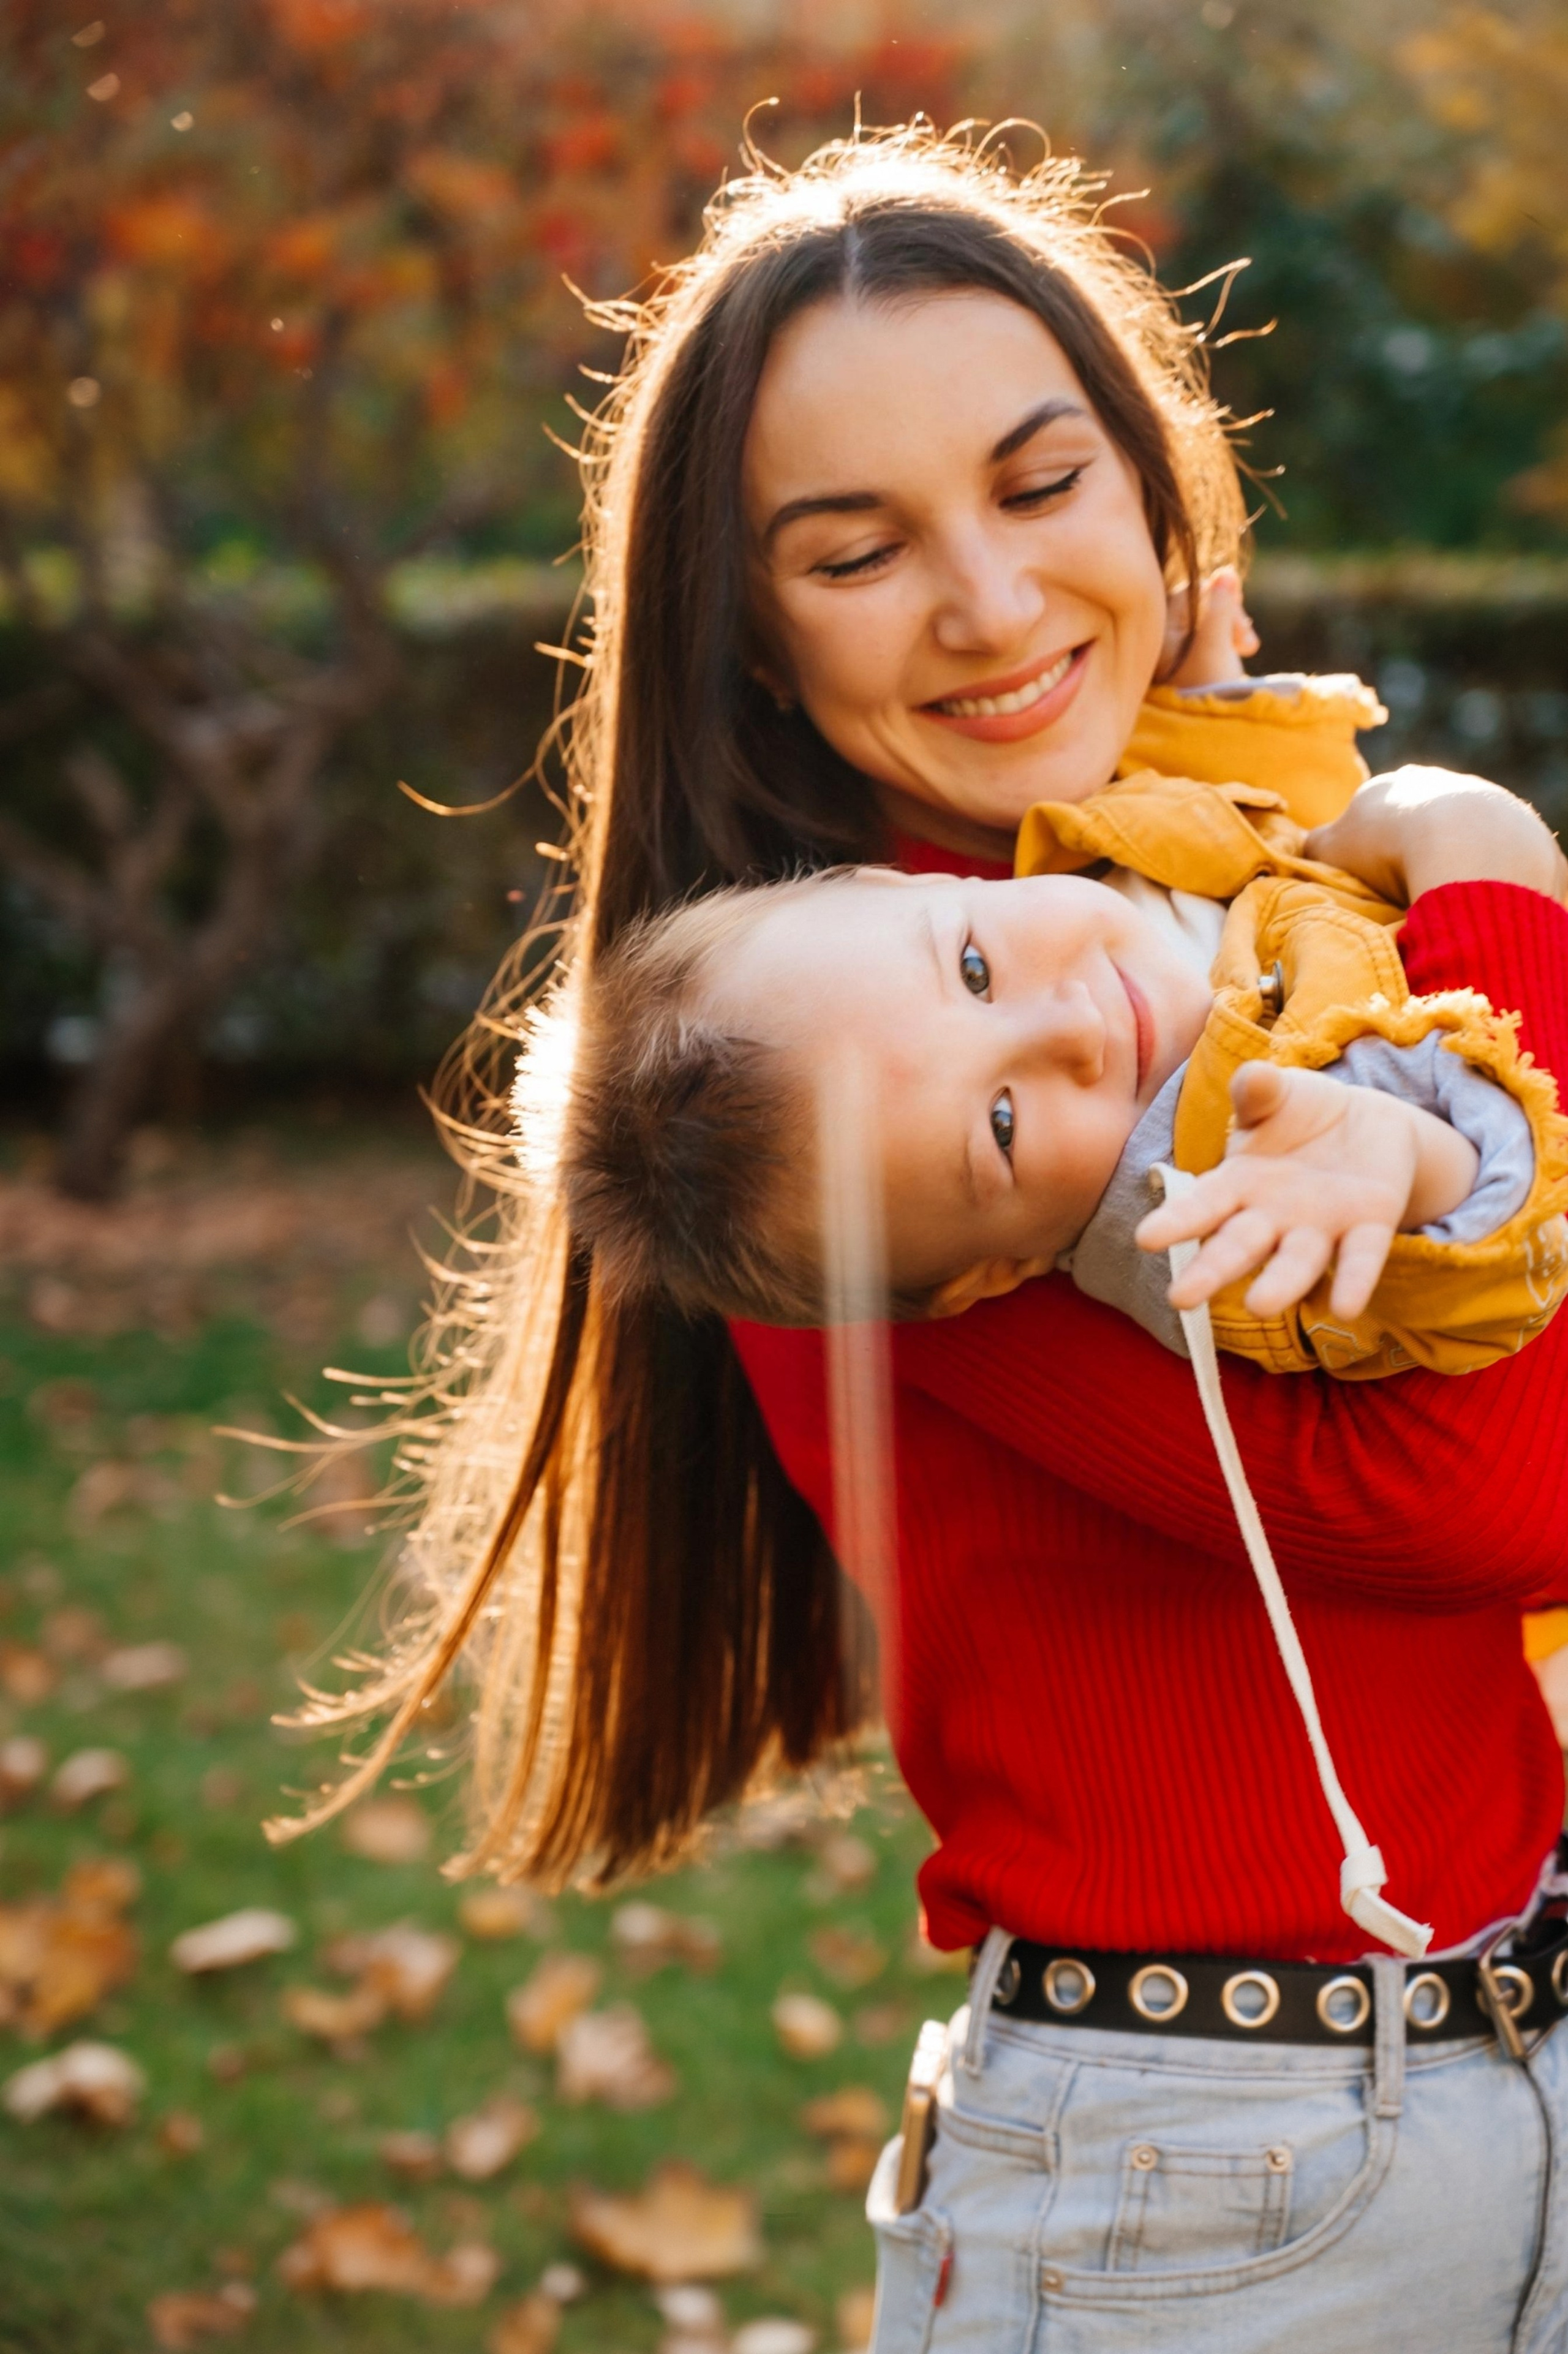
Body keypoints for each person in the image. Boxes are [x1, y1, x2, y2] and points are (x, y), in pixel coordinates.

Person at [283, 127, 1568, 2349]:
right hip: (1209, 2168)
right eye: (857, 550)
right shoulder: (854, 1090)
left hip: (1485, 2067)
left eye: (1042, 482)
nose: (988, 604)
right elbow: (1484, 1491)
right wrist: (1494, 875)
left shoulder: (1190, 900)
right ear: (753, 640)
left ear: (1160, 485)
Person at [551, 771, 1568, 1376]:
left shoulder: (1096, 857)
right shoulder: (1220, 1206)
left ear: (897, 881)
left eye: (976, 970)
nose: (1068, 1029)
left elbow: (1241, 799)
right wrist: (1400, 1162)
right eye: (1001, 1123)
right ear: (993, 1272)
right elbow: (1495, 1259)